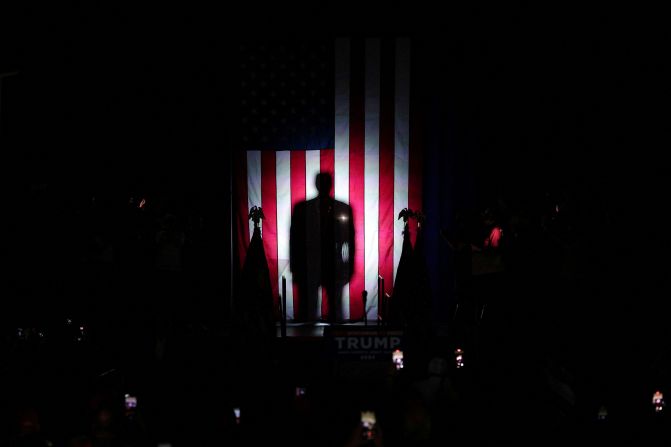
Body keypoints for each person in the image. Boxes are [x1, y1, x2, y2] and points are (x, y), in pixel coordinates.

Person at [290, 173, 354, 323]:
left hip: (333, 265)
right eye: (322, 182)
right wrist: (295, 267)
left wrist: (349, 266)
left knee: (335, 312)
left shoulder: (342, 208)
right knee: (307, 312)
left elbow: (350, 240)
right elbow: (295, 239)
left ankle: (330, 343)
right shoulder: (301, 209)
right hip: (308, 265)